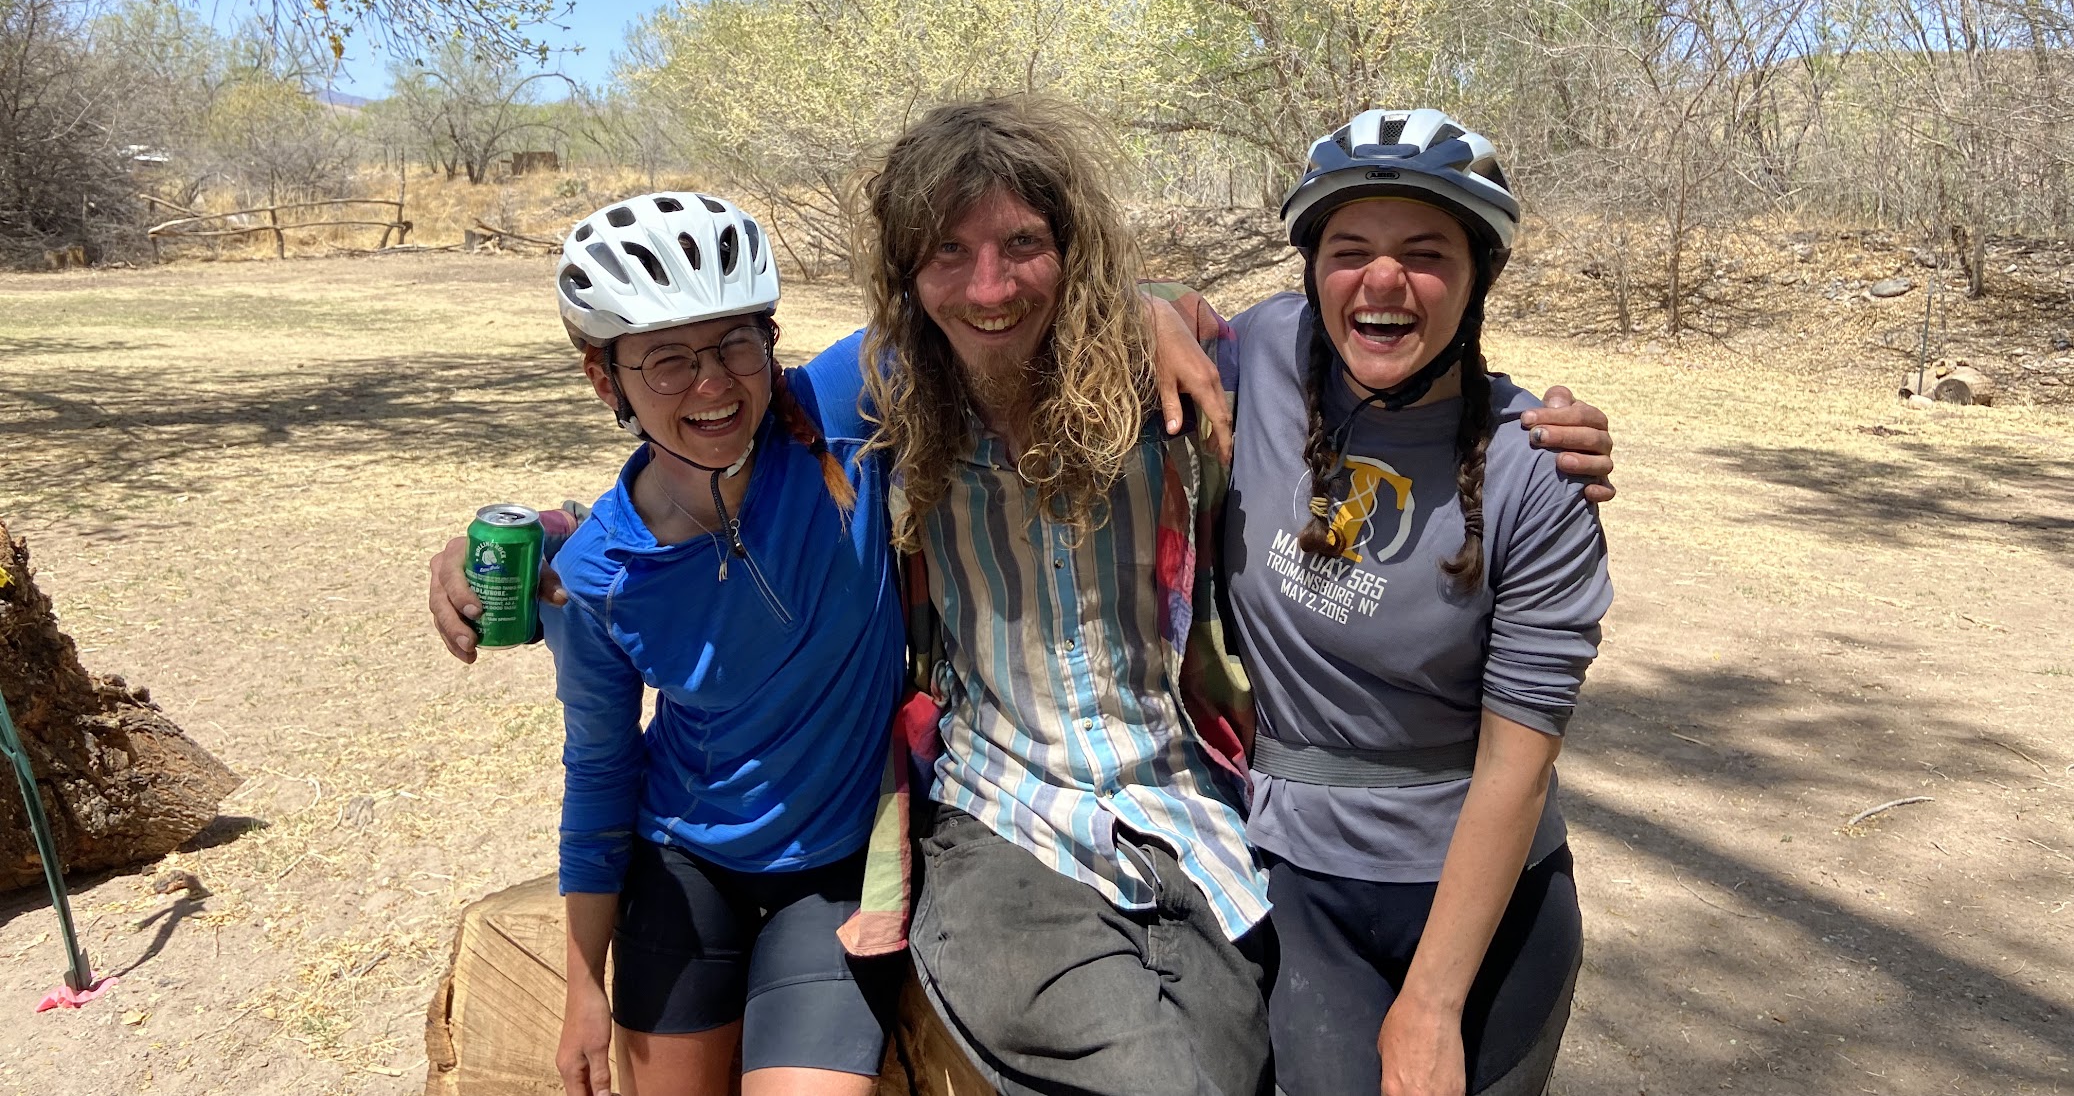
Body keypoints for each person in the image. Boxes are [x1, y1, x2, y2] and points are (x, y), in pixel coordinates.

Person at [428, 100, 1619, 1096]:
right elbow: (694, 434)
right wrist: (545, 534)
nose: (989, 286)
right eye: (947, 252)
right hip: (997, 807)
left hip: (1188, 804)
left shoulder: (1176, 376)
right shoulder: (876, 390)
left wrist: (1161, 301)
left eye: (1023, 244)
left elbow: (1256, 326)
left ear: (1075, 249)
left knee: (1239, 1051)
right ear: (904, 276)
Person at [1222, 108, 1611, 1096]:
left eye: (1425, 252)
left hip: (1487, 898)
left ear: (1480, 277)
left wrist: (1432, 1005)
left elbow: (1517, 766)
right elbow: (1123, 320)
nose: (1382, 280)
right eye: (1349, 249)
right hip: (1299, 879)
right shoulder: (1262, 354)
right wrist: (1153, 307)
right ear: (1310, 271)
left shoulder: (1537, 471)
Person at [532, 190, 905, 1096]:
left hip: (839, 867)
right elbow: (601, 768)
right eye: (665, 360)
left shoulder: (844, 414)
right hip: (683, 865)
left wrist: (1153, 313)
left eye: (736, 341)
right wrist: (585, 984)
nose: (712, 384)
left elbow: (991, 304)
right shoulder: (597, 577)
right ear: (604, 379)